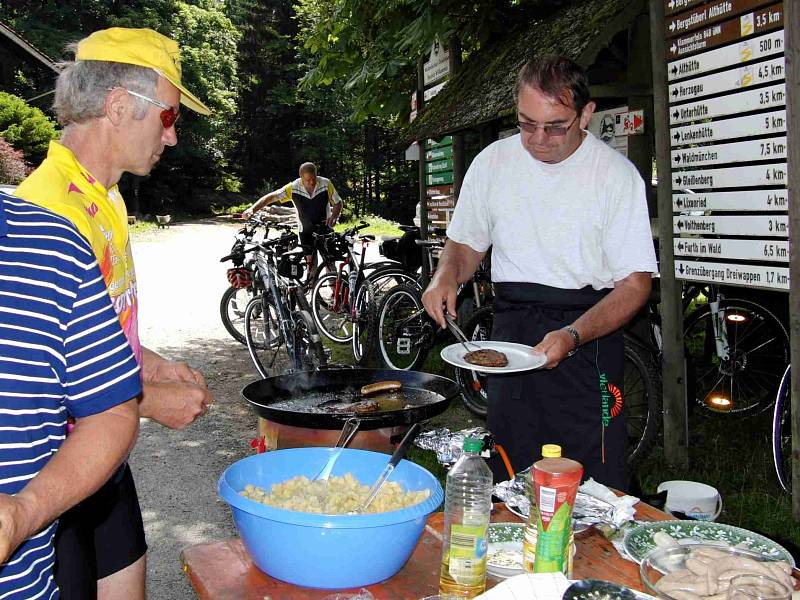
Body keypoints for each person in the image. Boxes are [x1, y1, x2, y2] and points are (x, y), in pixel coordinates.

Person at [15, 27, 214, 599]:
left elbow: (83, 330)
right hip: (51, 473)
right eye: (170, 117)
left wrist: (148, 362)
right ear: (121, 106)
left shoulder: (108, 196)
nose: (172, 138)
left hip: (104, 462)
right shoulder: (44, 211)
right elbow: (33, 378)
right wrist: (150, 400)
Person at [422, 56, 657, 491]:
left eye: (554, 126)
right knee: (512, 464)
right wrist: (445, 277)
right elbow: (468, 243)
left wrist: (571, 335)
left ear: (586, 115)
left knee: (592, 481)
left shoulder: (615, 177)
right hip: (513, 333)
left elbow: (635, 284)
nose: (537, 139)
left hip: (589, 335)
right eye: (526, 124)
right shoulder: (493, 163)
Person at [0, 192, 141, 598]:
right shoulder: (54, 188)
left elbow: (112, 410)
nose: (171, 138)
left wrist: (25, 512)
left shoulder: (56, 245)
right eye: (164, 123)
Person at [242, 162, 343, 272]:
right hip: (306, 231)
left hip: (325, 229)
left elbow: (338, 202)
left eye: (313, 178)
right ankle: (311, 288)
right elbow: (271, 197)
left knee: (330, 263)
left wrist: (334, 216)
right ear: (301, 177)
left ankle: (334, 287)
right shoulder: (293, 187)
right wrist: (252, 209)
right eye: (308, 180)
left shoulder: (325, 184)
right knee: (311, 264)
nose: (312, 182)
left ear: (316, 174)